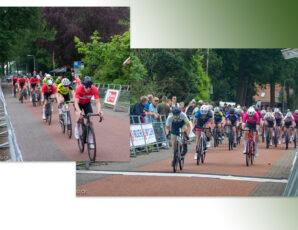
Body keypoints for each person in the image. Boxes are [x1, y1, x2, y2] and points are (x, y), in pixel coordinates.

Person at [74, 76, 103, 140]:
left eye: (89, 86)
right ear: (83, 85)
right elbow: (75, 103)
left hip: (87, 104)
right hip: (79, 104)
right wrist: (79, 111)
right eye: (86, 87)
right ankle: (77, 128)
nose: (88, 89)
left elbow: (98, 102)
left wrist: (99, 111)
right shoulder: (79, 88)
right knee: (79, 117)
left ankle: (91, 138)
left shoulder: (94, 89)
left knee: (91, 120)